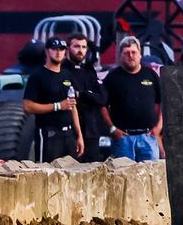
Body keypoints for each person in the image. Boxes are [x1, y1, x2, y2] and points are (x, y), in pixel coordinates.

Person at [101, 35, 163, 161]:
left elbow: (163, 102)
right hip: (123, 139)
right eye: (126, 53)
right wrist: (112, 128)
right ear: (120, 56)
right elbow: (102, 105)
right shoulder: (112, 77)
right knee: (123, 178)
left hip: (148, 138)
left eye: (134, 52)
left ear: (140, 54)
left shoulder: (151, 75)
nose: (131, 55)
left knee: (149, 178)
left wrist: (158, 127)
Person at [22, 39, 83, 162]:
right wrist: (57, 106)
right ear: (46, 51)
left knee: (72, 174)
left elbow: (72, 106)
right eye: (54, 49)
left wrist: (79, 135)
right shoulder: (37, 76)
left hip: (69, 134)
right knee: (47, 175)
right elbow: (27, 106)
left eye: (61, 49)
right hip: (48, 133)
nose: (58, 52)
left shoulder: (68, 75)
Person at [64, 33, 107, 161]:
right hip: (70, 131)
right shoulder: (62, 70)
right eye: (76, 46)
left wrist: (82, 94)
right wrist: (89, 95)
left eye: (83, 47)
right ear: (68, 48)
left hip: (91, 130)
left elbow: (103, 98)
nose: (80, 50)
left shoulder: (89, 70)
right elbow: (69, 98)